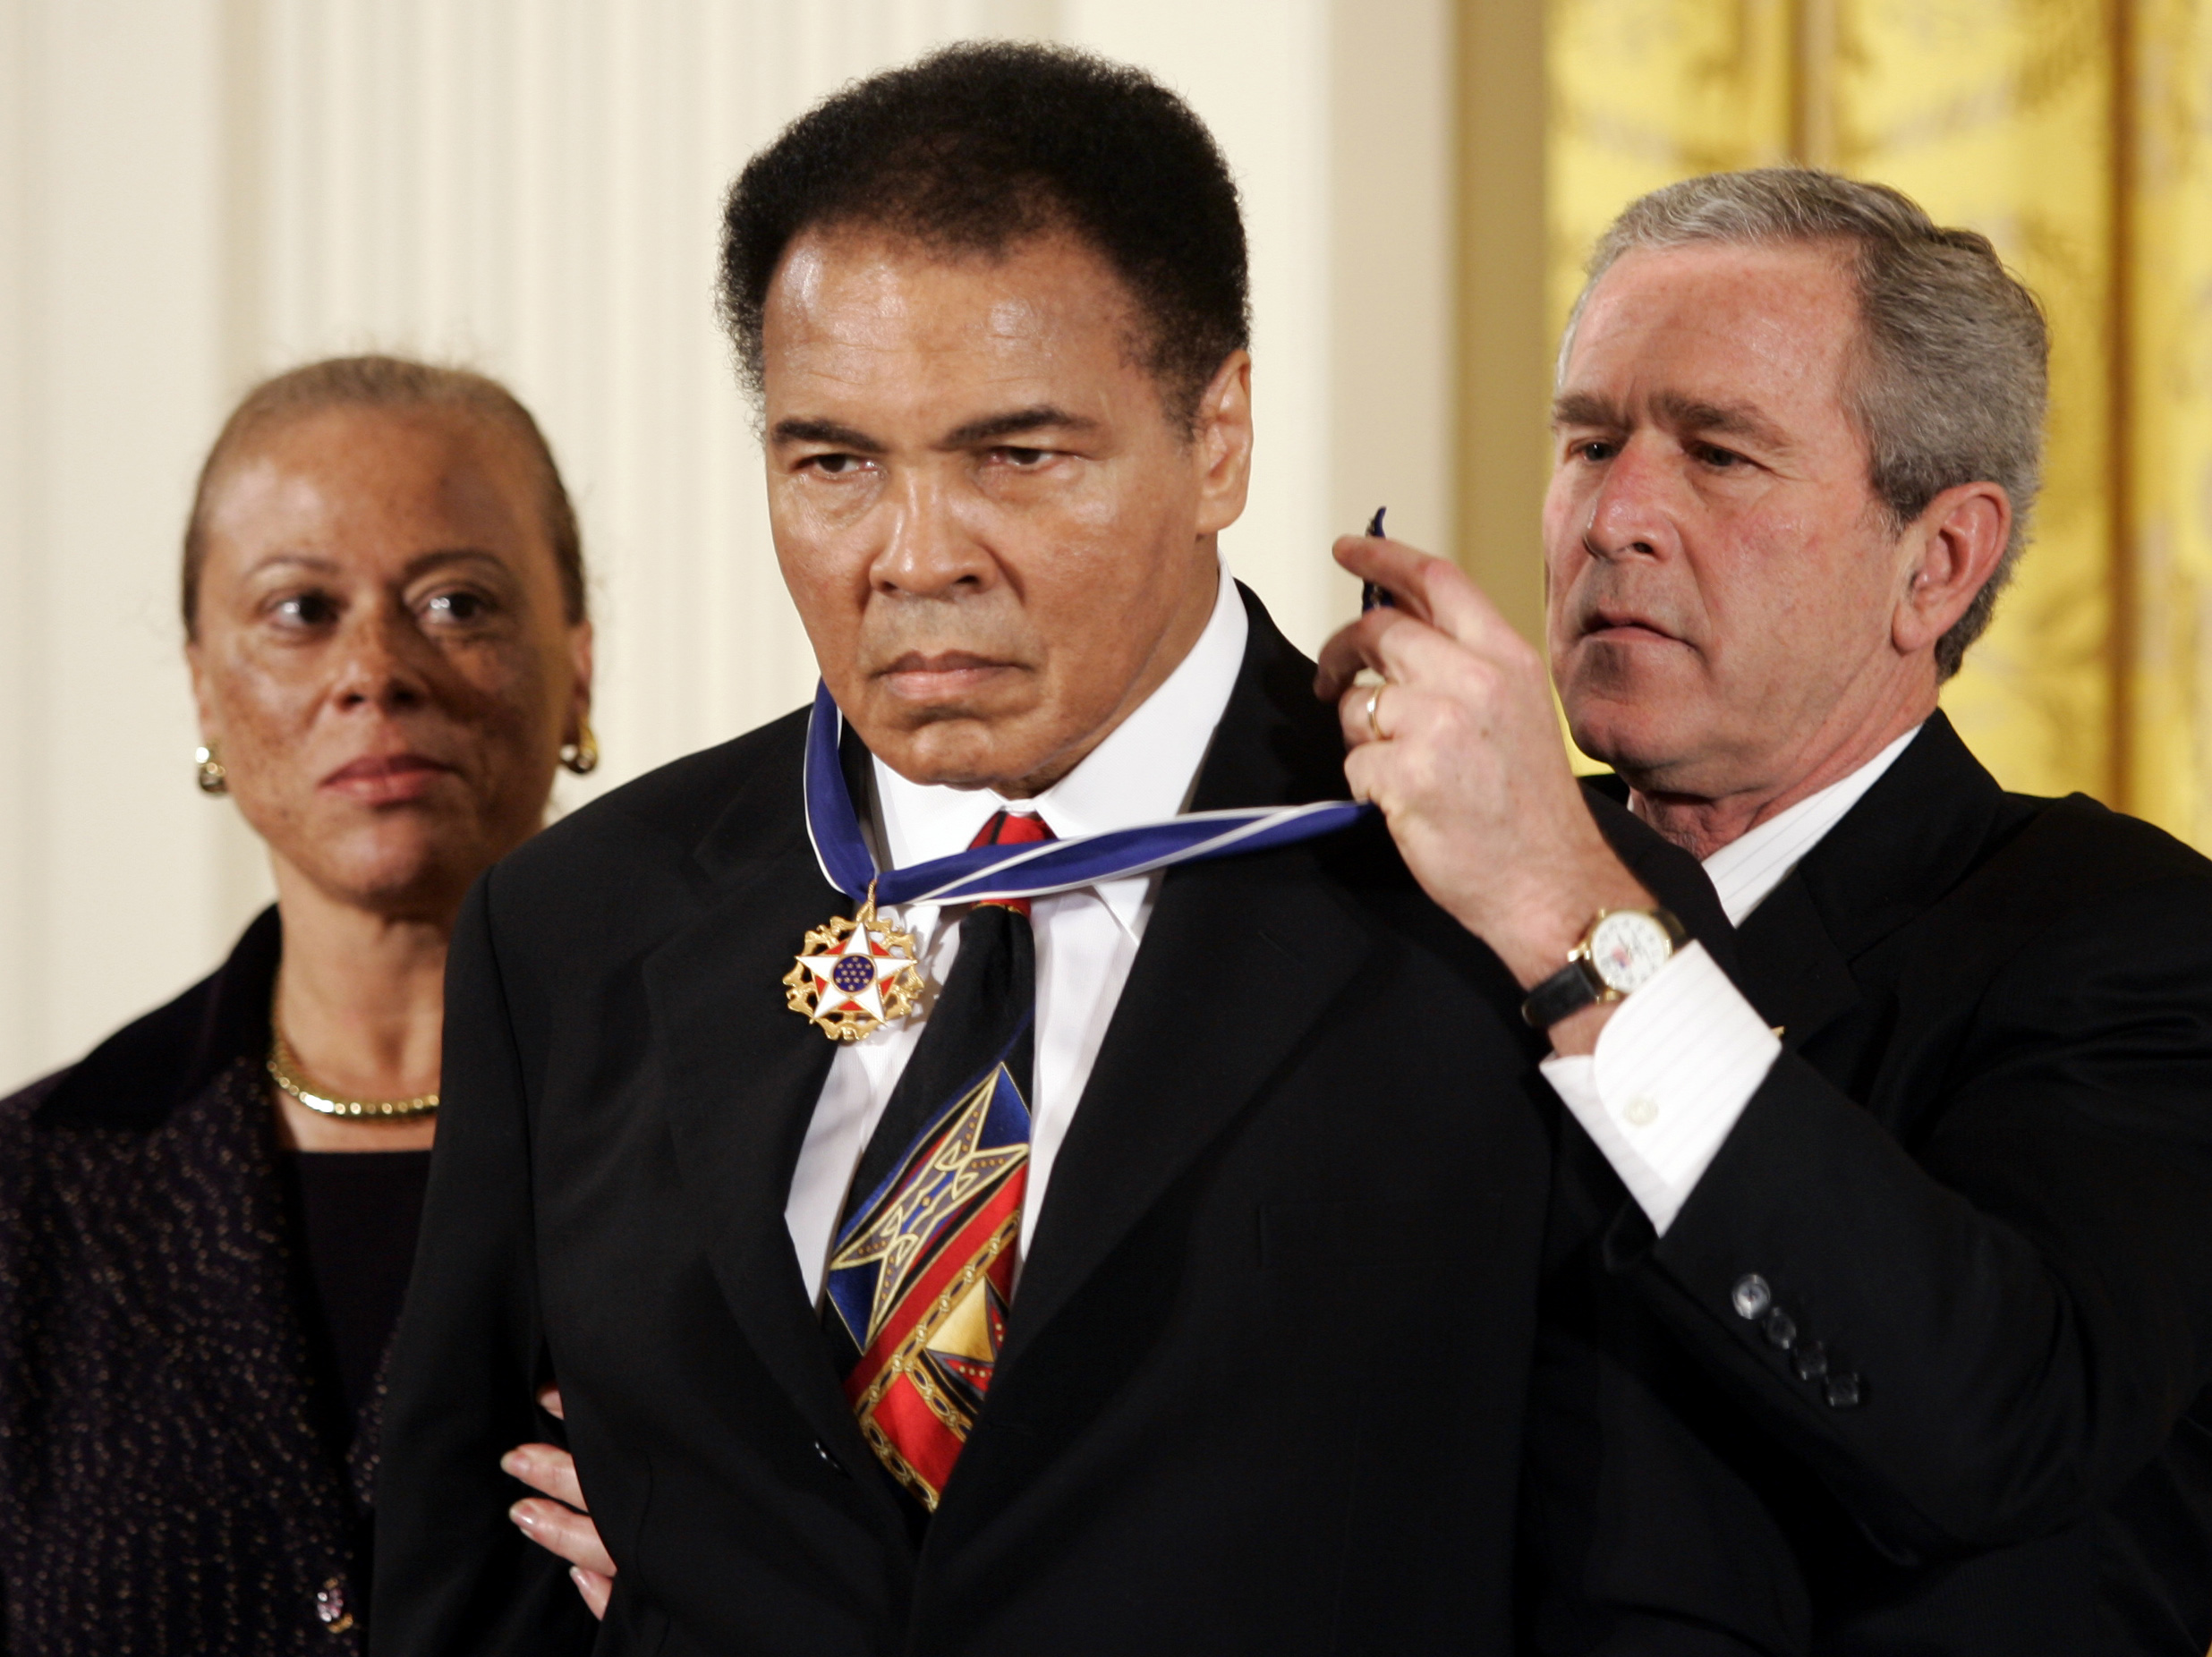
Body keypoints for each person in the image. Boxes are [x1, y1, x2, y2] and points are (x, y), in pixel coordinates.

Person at [369, 44, 1723, 1655]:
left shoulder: (1514, 909)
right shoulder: (578, 924)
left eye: (1017, 456)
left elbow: (1665, 1590)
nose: (916, 557)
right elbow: (464, 1573)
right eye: (834, 464)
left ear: (1218, 434)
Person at [1318, 170, 2212, 1653]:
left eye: (1721, 457)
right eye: (1590, 441)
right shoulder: (1408, 900)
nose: (1617, 517)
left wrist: (1565, 904)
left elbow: (1995, 1418)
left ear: (1937, 562)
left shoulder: (2124, 941)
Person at [0, 355, 596, 1654]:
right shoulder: (29, 1191)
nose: (375, 671)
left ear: (579, 667)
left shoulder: (758, 1148)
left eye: (456, 601)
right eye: (300, 609)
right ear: (206, 686)